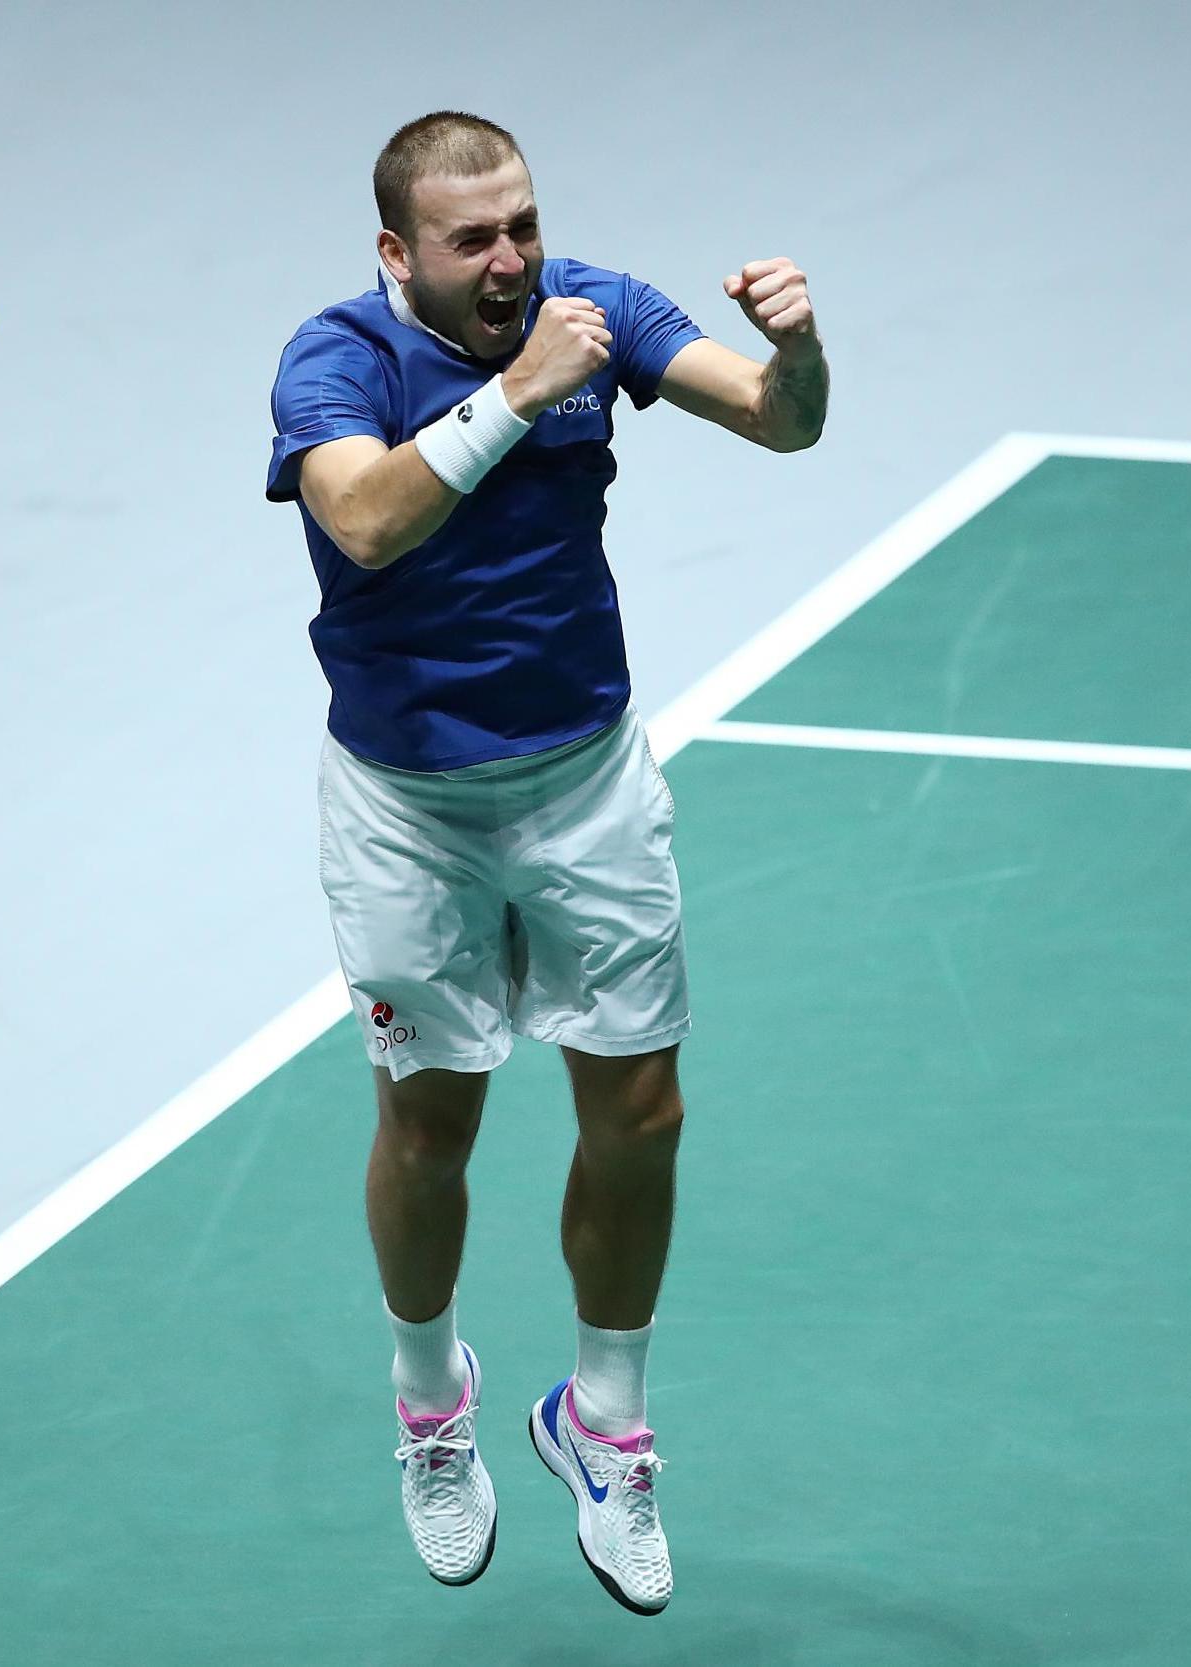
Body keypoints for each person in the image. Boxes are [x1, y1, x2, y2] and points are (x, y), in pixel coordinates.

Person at [264, 110, 828, 1616]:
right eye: (472, 238)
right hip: (408, 809)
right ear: (399, 253)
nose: (510, 258)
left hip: (583, 785)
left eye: (521, 223)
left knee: (641, 1109)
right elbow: (367, 520)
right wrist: (518, 396)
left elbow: (780, 420)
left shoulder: (600, 307)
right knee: (430, 1127)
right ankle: (430, 1403)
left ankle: (602, 1423)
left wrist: (804, 349)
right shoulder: (336, 360)